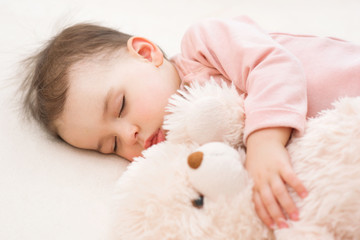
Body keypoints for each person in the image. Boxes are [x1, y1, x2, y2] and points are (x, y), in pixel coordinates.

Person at [21, 16, 360, 230]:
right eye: (111, 145)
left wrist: (265, 141)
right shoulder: (189, 153)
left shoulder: (203, 46)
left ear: (146, 53)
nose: (130, 136)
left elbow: (274, 66)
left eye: (120, 106)